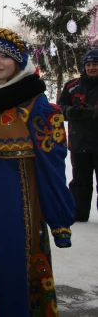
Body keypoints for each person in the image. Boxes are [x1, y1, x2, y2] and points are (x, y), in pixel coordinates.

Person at [0, 27, 75, 316]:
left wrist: (59, 220)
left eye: (5, 56)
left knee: (14, 275)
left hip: (20, 215)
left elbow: (52, 167)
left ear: (20, 62)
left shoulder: (36, 106)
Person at [58, 49, 98, 222]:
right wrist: (69, 111)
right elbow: (59, 107)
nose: (91, 68)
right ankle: (78, 214)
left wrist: (94, 112)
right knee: (80, 181)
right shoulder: (72, 85)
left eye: (95, 64)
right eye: (88, 65)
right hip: (79, 142)